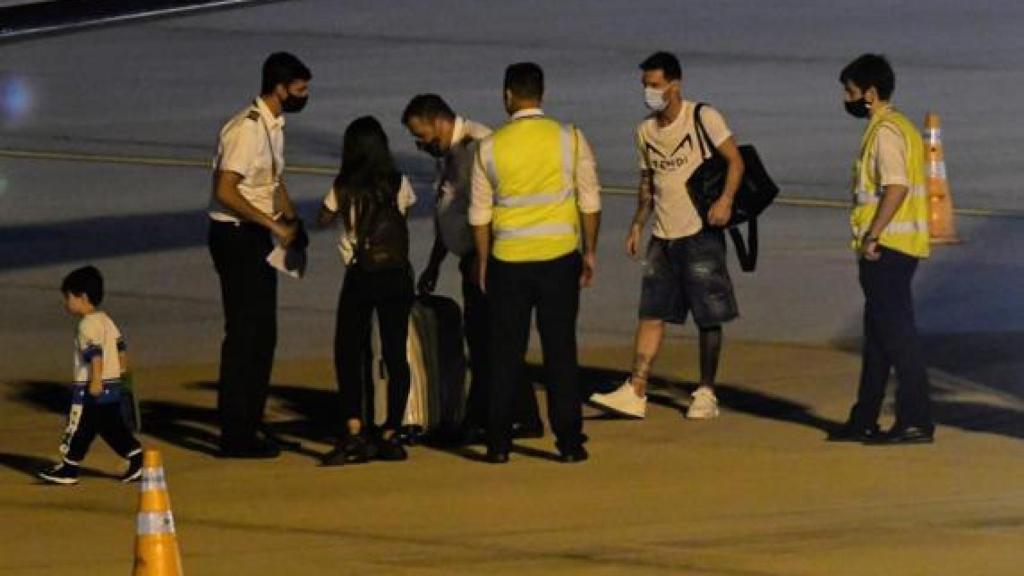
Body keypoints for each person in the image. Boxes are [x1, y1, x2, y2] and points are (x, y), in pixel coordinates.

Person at [588, 51, 744, 420]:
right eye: (645, 86)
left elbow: (736, 161)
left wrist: (725, 201)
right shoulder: (644, 131)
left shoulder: (703, 116)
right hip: (663, 235)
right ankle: (636, 388)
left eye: (655, 85)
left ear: (675, 84)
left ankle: (706, 392)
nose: (649, 92)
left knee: (709, 314)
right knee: (651, 313)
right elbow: (648, 182)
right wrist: (638, 223)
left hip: (700, 231)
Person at [470, 62, 602, 464]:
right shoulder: (570, 139)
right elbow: (590, 202)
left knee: (504, 353)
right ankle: (569, 442)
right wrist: (590, 252)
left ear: (508, 95)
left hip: (509, 261)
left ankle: (497, 443)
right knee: (561, 351)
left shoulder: (489, 147)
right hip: (560, 258)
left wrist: (482, 262)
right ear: (542, 94)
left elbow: (479, 215)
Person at [401, 94, 542, 444]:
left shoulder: (476, 146)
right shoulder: (450, 153)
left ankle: (508, 416)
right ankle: (500, 414)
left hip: (488, 257)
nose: (420, 145)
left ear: (437, 121)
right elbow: (449, 209)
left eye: (421, 135)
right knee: (483, 339)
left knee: (493, 339)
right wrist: (436, 261)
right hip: (471, 256)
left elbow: (491, 208)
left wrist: (483, 260)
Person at [207, 52, 310, 458]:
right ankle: (235, 432)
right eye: (300, 89)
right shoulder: (245, 130)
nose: (305, 96)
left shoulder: (273, 126)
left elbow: (272, 181)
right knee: (244, 335)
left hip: (256, 236)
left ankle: (251, 420)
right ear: (280, 87)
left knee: (264, 333)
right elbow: (225, 190)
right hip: (235, 237)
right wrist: (273, 226)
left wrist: (292, 221)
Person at [828, 54, 934, 445]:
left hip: (887, 249)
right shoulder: (898, 127)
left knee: (897, 336)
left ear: (870, 94)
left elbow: (896, 187)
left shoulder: (886, 132)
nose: (846, 98)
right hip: (896, 248)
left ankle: (916, 419)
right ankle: (865, 417)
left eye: (850, 91)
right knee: (877, 336)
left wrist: (873, 234)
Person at [319, 116, 417, 465]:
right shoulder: (397, 181)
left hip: (360, 273)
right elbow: (405, 211)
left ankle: (355, 428)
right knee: (394, 351)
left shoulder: (345, 185)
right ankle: (392, 430)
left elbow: (324, 218)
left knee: (349, 349)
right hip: (396, 273)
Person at [38, 266, 143, 485]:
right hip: (112, 384)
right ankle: (136, 457)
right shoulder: (106, 319)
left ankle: (69, 468)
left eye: (68, 297)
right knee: (109, 426)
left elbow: (95, 356)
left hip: (93, 387)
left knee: (80, 426)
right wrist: (122, 370)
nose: (66, 303)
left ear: (82, 297)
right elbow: (120, 346)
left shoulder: (86, 325)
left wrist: (95, 381)